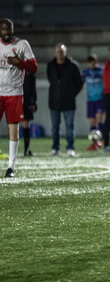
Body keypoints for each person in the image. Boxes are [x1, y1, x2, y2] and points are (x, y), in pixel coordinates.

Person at [0, 18, 37, 177]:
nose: (6, 32)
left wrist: (19, 62)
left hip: (14, 92)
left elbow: (34, 67)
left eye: (9, 29)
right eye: (3, 29)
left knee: (13, 129)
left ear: (13, 30)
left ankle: (11, 167)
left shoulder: (22, 45)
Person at [47, 43, 83, 157]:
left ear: (65, 52)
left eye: (62, 51)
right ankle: (55, 148)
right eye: (58, 51)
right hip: (54, 101)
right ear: (55, 52)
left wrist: (71, 94)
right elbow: (51, 80)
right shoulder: (50, 65)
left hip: (68, 102)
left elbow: (79, 83)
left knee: (69, 127)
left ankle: (70, 148)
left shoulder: (73, 66)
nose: (60, 54)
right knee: (54, 127)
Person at [82, 54, 104, 151]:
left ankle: (101, 141)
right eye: (90, 63)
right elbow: (80, 83)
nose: (92, 65)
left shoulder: (101, 71)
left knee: (99, 118)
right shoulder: (86, 72)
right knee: (92, 121)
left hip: (100, 99)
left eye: (94, 63)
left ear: (96, 62)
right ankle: (94, 143)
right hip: (90, 99)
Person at [22, 71, 37, 156]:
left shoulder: (31, 76)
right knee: (13, 124)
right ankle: (25, 150)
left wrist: (34, 102)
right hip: (19, 100)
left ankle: (26, 149)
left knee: (26, 124)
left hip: (26, 102)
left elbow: (33, 90)